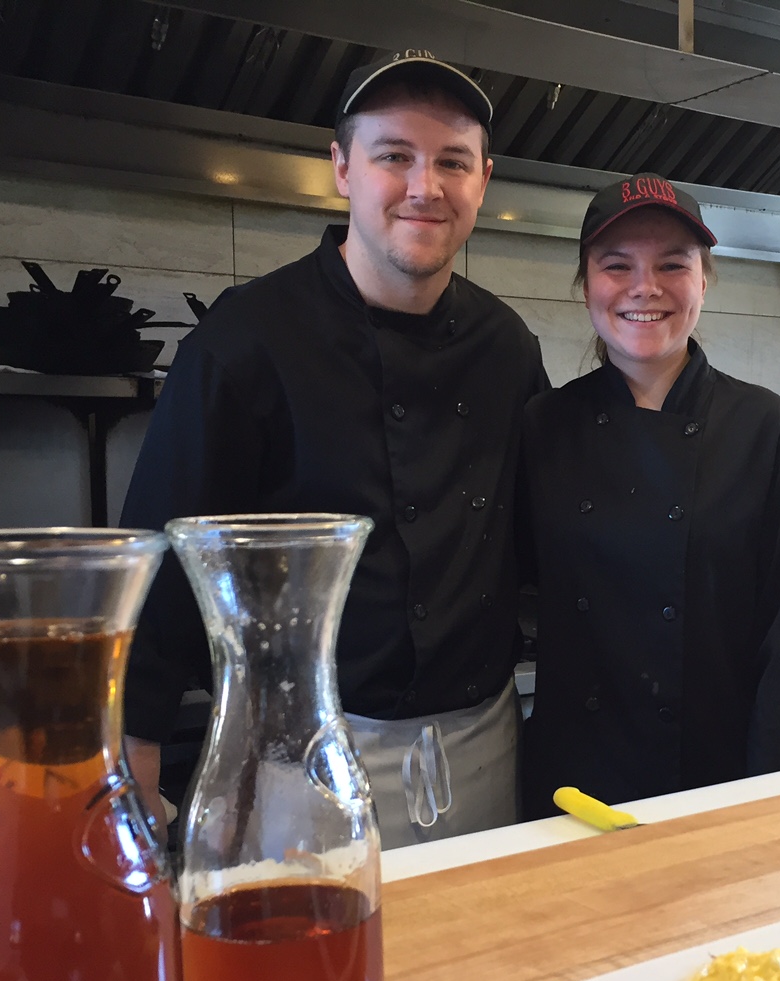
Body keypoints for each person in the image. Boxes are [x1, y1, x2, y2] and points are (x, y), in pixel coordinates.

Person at [120, 51, 549, 849]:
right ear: (342, 168)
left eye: (452, 162)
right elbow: (167, 544)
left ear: (483, 182)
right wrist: (135, 740)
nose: (426, 185)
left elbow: (539, 535)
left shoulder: (507, 346)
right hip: (294, 753)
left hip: (482, 743)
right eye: (395, 156)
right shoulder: (246, 338)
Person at [519, 173, 780, 819]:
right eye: (617, 265)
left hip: (716, 779)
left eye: (672, 264)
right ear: (586, 285)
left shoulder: (768, 431)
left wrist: (773, 795)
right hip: (572, 777)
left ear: (704, 279)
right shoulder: (542, 427)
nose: (645, 286)